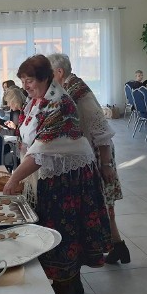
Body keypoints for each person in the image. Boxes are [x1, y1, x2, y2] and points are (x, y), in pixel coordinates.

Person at [3, 55, 111, 294]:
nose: (26, 86)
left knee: (62, 230)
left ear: (46, 77)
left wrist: (14, 179)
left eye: (29, 80)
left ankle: (65, 288)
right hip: (56, 173)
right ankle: (71, 283)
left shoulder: (59, 103)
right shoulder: (38, 101)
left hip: (67, 178)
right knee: (61, 229)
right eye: (23, 81)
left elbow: (41, 150)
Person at [48, 53, 129, 265]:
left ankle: (115, 247)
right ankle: (118, 246)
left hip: (97, 155)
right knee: (104, 204)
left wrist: (106, 164)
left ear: (59, 72)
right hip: (89, 154)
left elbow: (101, 129)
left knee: (103, 203)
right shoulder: (68, 88)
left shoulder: (79, 92)